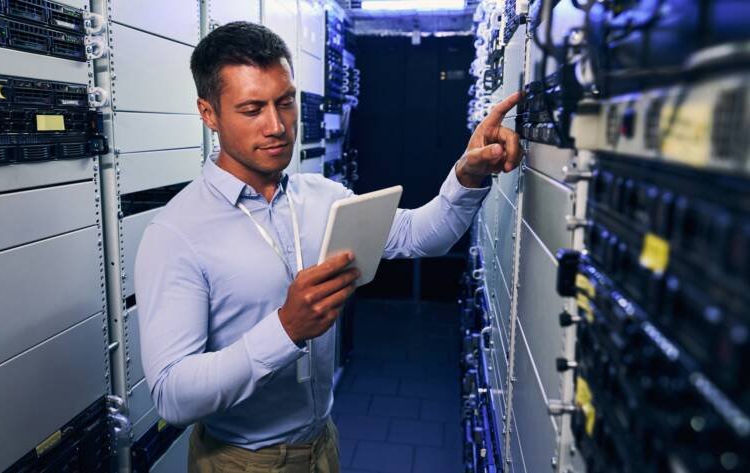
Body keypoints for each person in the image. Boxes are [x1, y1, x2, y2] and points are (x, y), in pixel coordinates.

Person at [135, 21, 522, 473]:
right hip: (240, 461)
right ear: (208, 113)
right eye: (251, 109)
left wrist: (468, 173)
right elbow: (172, 394)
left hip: (322, 444)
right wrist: (285, 329)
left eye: (285, 102)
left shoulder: (321, 197)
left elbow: (422, 235)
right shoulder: (177, 232)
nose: (277, 126)